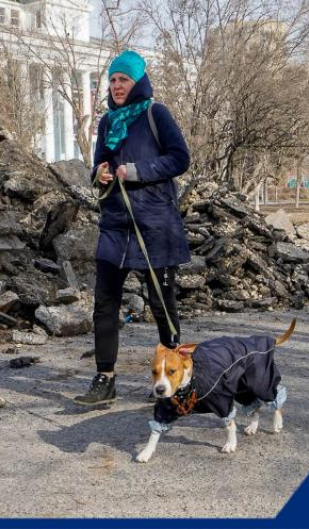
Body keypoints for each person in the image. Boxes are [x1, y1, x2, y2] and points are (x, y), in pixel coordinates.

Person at [73, 50, 191, 406]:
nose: (117, 86)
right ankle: (104, 379)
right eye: (112, 80)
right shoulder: (109, 123)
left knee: (161, 304)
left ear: (138, 81)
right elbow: (97, 166)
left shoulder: (157, 114)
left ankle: (176, 380)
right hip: (114, 227)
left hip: (154, 226)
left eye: (123, 79)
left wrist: (136, 171)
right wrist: (100, 173)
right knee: (104, 304)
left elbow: (180, 158)